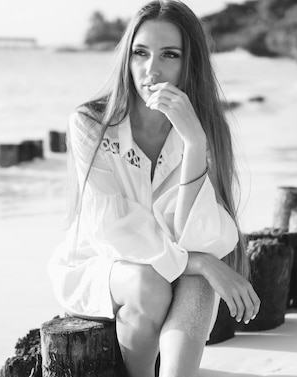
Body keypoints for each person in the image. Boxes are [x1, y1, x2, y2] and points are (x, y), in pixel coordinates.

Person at [48, 1, 260, 376]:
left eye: (169, 55)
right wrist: (196, 261)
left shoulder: (205, 129)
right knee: (154, 283)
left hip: (177, 264)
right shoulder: (90, 123)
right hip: (102, 263)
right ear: (127, 58)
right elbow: (111, 230)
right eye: (141, 53)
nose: (151, 70)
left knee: (197, 286)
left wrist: (194, 142)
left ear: (188, 64)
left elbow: (199, 237)